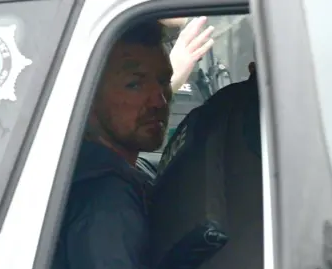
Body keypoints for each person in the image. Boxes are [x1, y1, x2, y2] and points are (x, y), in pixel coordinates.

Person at [52, 17, 214, 269]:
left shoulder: (111, 168)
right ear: (86, 94)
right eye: (134, 84)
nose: (160, 102)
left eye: (163, 82)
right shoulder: (107, 204)